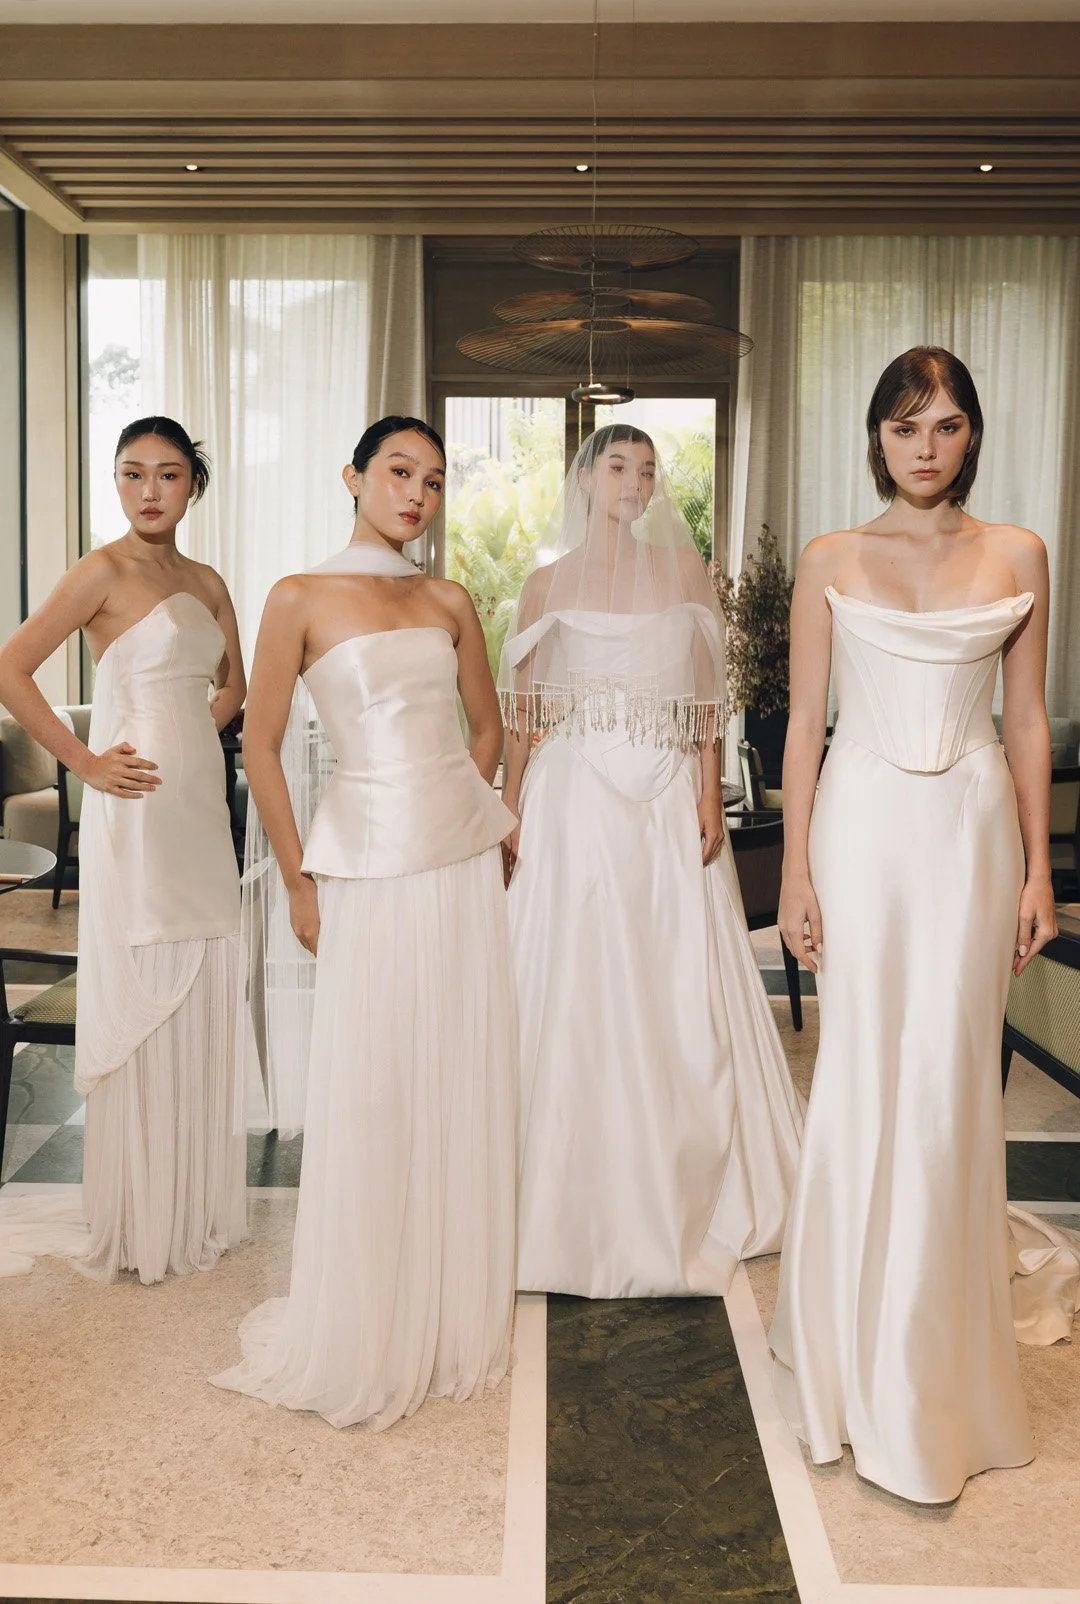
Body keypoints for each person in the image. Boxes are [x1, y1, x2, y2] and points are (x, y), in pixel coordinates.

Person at [772, 345, 1079, 1504]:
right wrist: (796, 871)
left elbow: (1032, 720)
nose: (926, 447)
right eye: (906, 427)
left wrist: (1036, 872)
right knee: (859, 1064)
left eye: (946, 426)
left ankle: (932, 1358)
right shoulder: (830, 558)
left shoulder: (1018, 553)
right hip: (860, 827)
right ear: (877, 437)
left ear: (972, 436)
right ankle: (846, 1331)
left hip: (970, 827)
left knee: (953, 1075)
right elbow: (804, 725)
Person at [211, 415, 518, 1431]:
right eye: (399, 473)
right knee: (375, 1075)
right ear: (353, 476)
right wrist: (299, 880)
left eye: (433, 481)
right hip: (360, 866)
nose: (417, 496)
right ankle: (367, 1310)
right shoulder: (297, 596)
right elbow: (258, 746)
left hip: (458, 863)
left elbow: (488, 729)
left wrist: (460, 810)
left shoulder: (449, 598)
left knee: (453, 1068)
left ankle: (440, 1305)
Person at [500, 424, 803, 1299]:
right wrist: (511, 809)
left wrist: (709, 792)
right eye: (618, 466)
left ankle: (684, 1172)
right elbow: (526, 712)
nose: (634, 481)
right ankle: (561, 1180)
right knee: (573, 977)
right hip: (574, 800)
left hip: (666, 791)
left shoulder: (684, 572)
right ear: (588, 477)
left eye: (647, 469)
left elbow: (705, 700)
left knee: (672, 975)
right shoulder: (545, 584)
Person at [0, 415, 247, 1283]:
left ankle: (192, 1198)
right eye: (133, 473)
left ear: (193, 486)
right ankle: (143, 1215)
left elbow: (234, 688)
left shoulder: (209, 579)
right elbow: (10, 665)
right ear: (117, 482)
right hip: (134, 814)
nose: (150, 490)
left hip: (198, 813)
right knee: (147, 975)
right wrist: (87, 763)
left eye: (169, 475)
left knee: (204, 969)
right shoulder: (100, 570)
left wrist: (183, 742)